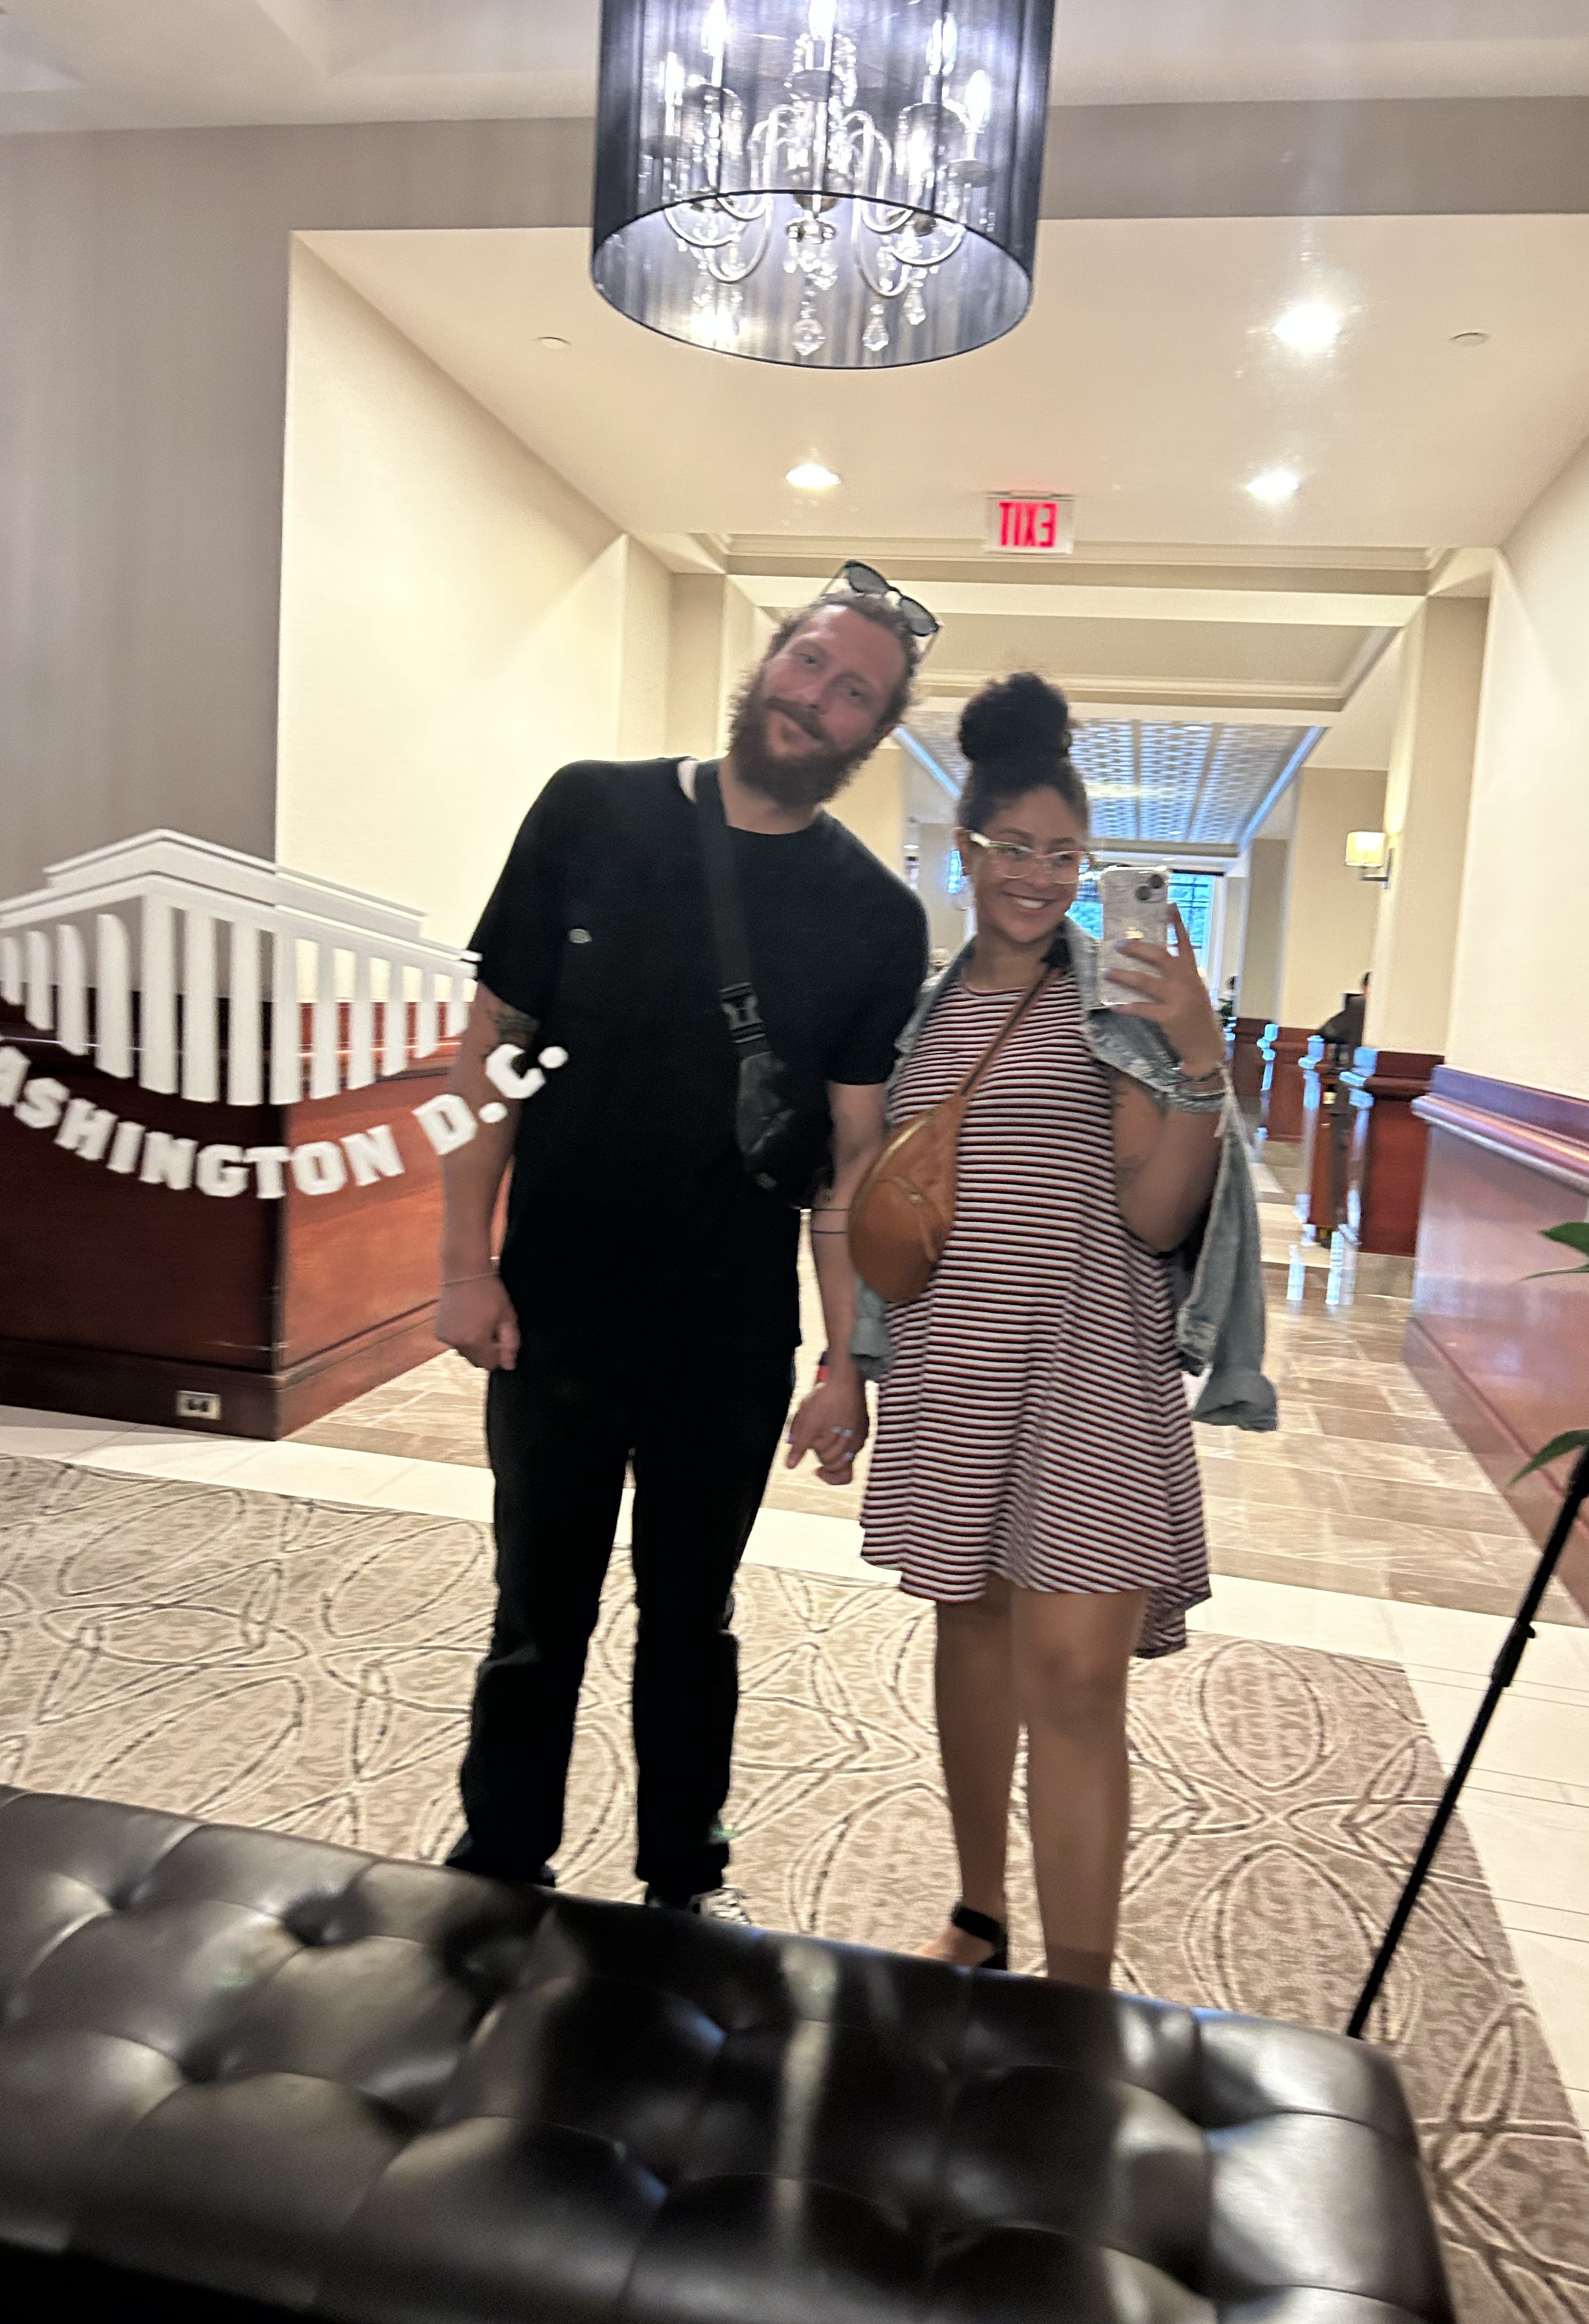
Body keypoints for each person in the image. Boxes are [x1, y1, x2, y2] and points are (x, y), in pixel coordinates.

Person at [435, 571, 931, 1916]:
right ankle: (499, 1868)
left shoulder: (877, 917)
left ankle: (683, 1880)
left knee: (691, 1620)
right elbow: (492, 1052)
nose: (816, 698)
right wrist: (465, 1263)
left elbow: (853, 1156)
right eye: (810, 661)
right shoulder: (590, 809)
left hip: (727, 1332)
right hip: (555, 1308)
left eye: (854, 693)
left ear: (873, 735)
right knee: (536, 1613)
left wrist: (848, 1357)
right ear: (770, 658)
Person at [849, 673, 1274, 1988]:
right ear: (966, 849)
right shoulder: (916, 1015)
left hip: (1093, 1367)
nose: (1039, 876)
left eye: (1064, 854)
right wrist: (844, 1361)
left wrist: (1199, 1061)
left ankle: (1077, 1995)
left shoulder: (1120, 1005)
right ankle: (981, 1916)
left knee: (1079, 1676)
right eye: (1014, 847)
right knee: (972, 1637)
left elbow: (1157, 1216)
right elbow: (869, 1197)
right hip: (957, 1364)